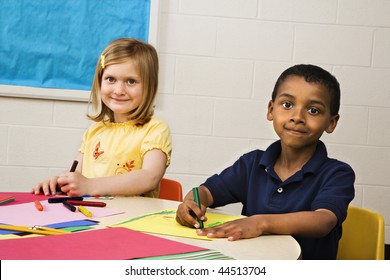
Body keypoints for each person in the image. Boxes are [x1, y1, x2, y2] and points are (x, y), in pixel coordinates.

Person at [176, 64, 355, 260]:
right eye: (287, 105)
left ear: (331, 123)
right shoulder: (252, 163)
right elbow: (207, 191)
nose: (297, 117)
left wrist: (260, 223)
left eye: (313, 110)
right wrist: (193, 201)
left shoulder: (337, 173)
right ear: (271, 109)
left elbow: (323, 221)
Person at [32, 38, 171, 198]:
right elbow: (77, 174)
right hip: (95, 217)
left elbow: (149, 177)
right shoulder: (95, 130)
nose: (119, 90)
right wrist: (59, 183)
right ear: (100, 81)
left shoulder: (155, 129)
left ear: (149, 85)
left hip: (133, 221)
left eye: (131, 81)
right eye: (110, 79)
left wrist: (89, 185)